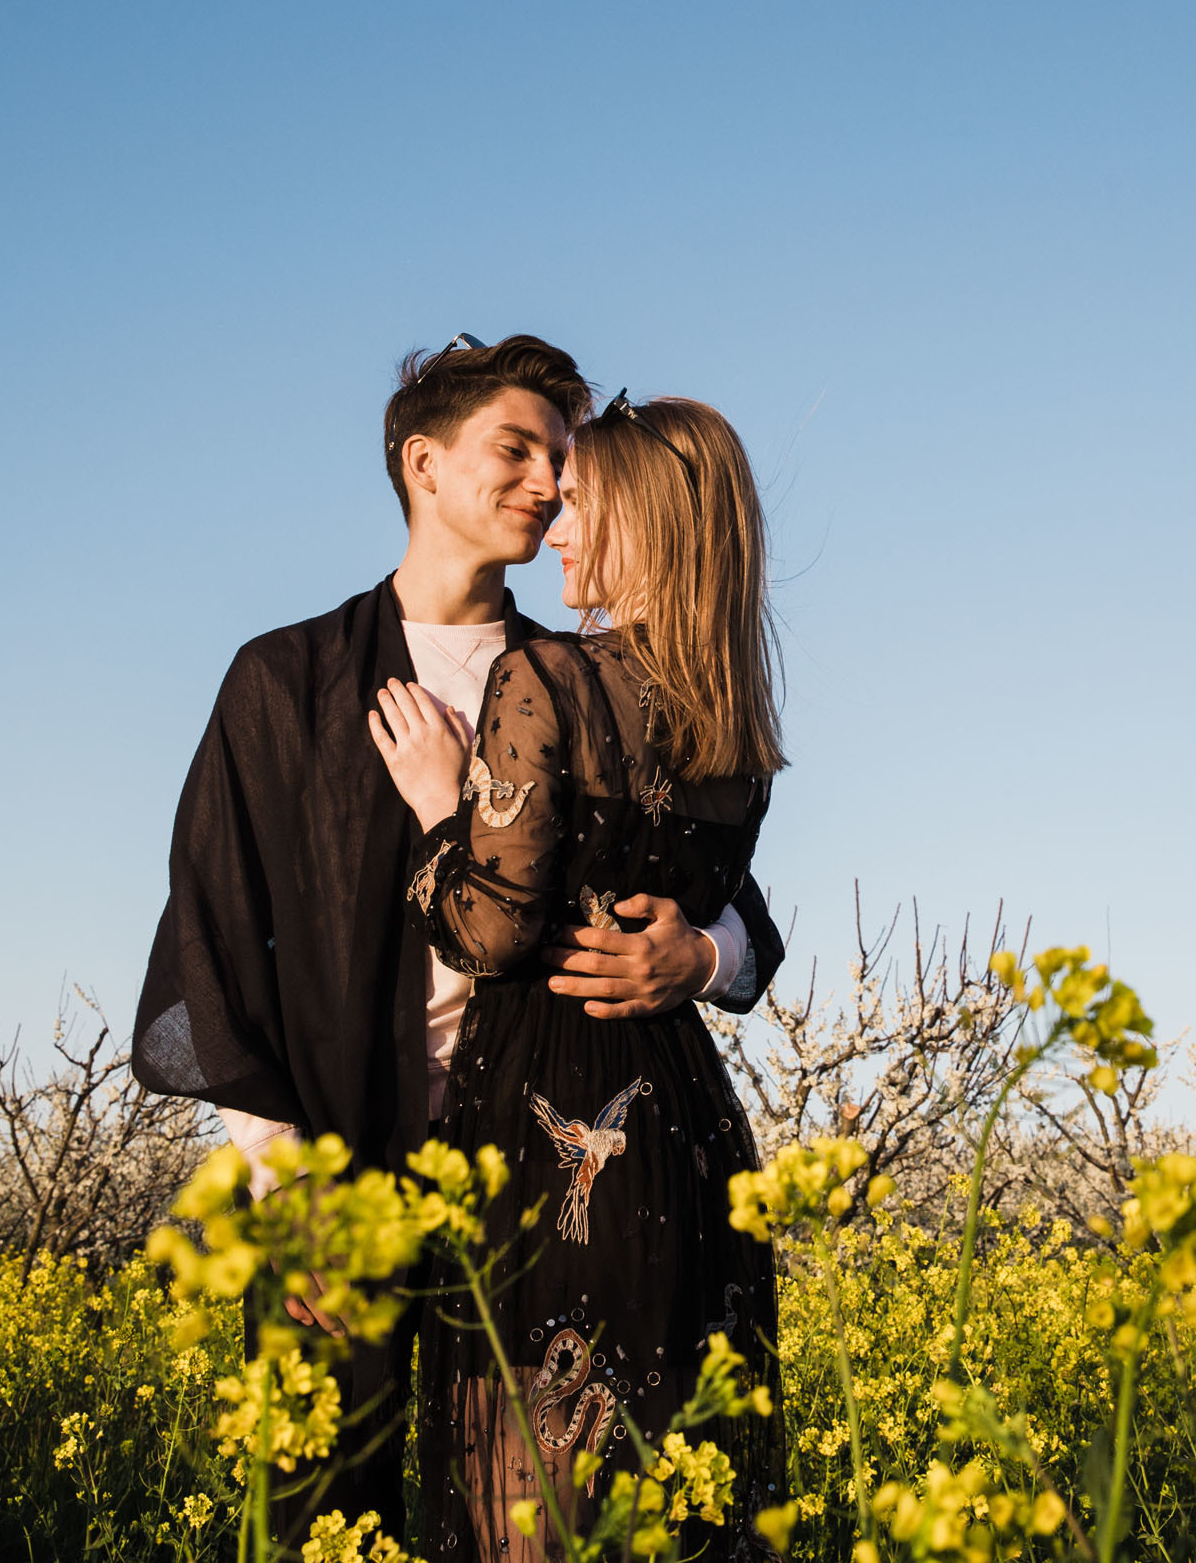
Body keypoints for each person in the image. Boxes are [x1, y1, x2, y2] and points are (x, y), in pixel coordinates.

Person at [132, 337, 785, 1543]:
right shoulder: (287, 681)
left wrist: (702, 956)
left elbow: (734, 895)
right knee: (334, 1513)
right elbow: (213, 942)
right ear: (420, 463)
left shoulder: (586, 670)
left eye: (562, 461)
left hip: (544, 1184)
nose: (547, 482)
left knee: (547, 1514)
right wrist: (291, 1193)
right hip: (348, 1174)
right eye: (517, 449)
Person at [368, 391, 785, 1559]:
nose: (555, 527)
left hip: (546, 1134)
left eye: (582, 504)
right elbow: (751, 930)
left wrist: (440, 813)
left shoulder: (539, 680)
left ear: (646, 522)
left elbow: (488, 932)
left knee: (533, 1494)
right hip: (689, 1138)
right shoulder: (736, 734)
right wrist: (703, 956)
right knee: (681, 1486)